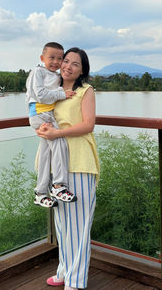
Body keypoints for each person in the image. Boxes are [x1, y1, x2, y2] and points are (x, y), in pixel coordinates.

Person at [36, 47, 99, 290]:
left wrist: (57, 133)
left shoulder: (85, 91)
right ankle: (64, 271)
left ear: (82, 70)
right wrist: (42, 130)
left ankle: (75, 281)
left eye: (75, 63)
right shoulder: (52, 91)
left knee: (79, 226)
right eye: (66, 61)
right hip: (55, 161)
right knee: (62, 224)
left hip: (80, 160)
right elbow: (41, 117)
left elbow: (88, 125)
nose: (68, 66)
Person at [26, 42, 77, 208]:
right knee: (60, 142)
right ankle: (58, 186)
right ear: (42, 58)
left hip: (48, 115)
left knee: (46, 154)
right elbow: (39, 94)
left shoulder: (55, 75)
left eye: (59, 58)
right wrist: (62, 94)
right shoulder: (38, 72)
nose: (56, 61)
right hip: (40, 113)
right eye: (52, 57)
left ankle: (40, 193)